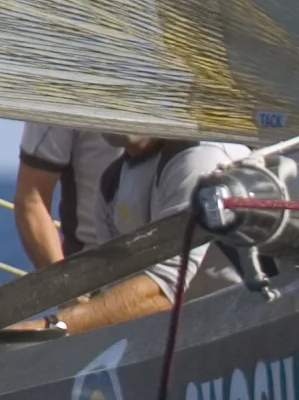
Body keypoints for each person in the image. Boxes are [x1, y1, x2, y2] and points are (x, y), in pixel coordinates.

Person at [44, 137, 250, 334]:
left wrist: (51, 326)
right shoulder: (111, 182)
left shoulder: (199, 159)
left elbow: (162, 292)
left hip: (247, 323)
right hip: (188, 335)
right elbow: (118, 291)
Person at [12, 123, 127, 269]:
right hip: (93, 273)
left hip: (161, 269)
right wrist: (65, 283)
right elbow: (31, 200)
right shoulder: (57, 103)